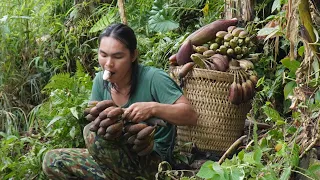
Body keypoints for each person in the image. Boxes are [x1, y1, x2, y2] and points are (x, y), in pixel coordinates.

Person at [42, 23, 198, 180]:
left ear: (133, 55)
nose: (108, 63)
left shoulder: (153, 78)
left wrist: (153, 108)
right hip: (114, 158)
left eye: (117, 57)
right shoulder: (99, 81)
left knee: (93, 136)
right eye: (103, 55)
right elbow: (96, 126)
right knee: (53, 160)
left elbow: (190, 115)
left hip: (153, 163)